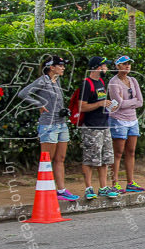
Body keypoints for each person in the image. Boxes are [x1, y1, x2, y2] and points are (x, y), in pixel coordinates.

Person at [17, 55, 79, 201]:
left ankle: (61, 190)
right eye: (60, 65)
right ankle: (46, 190)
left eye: (64, 65)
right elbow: (23, 93)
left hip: (61, 123)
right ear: (52, 67)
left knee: (60, 158)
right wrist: (38, 104)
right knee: (47, 159)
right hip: (48, 125)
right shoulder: (43, 80)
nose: (63, 68)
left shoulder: (56, 81)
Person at [79, 56, 118, 199]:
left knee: (105, 158)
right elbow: (81, 106)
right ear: (97, 67)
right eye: (104, 66)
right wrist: (99, 104)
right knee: (89, 158)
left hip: (104, 125)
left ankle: (103, 187)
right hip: (91, 127)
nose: (106, 69)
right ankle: (88, 188)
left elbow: (102, 102)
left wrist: (109, 105)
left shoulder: (101, 82)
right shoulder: (86, 84)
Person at [107, 55, 145, 193]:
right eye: (124, 64)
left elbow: (140, 102)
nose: (127, 66)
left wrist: (129, 102)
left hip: (133, 120)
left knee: (131, 151)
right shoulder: (113, 82)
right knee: (118, 152)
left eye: (129, 63)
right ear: (117, 66)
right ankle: (115, 183)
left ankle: (130, 182)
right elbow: (119, 104)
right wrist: (132, 102)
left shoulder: (133, 80)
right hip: (118, 120)